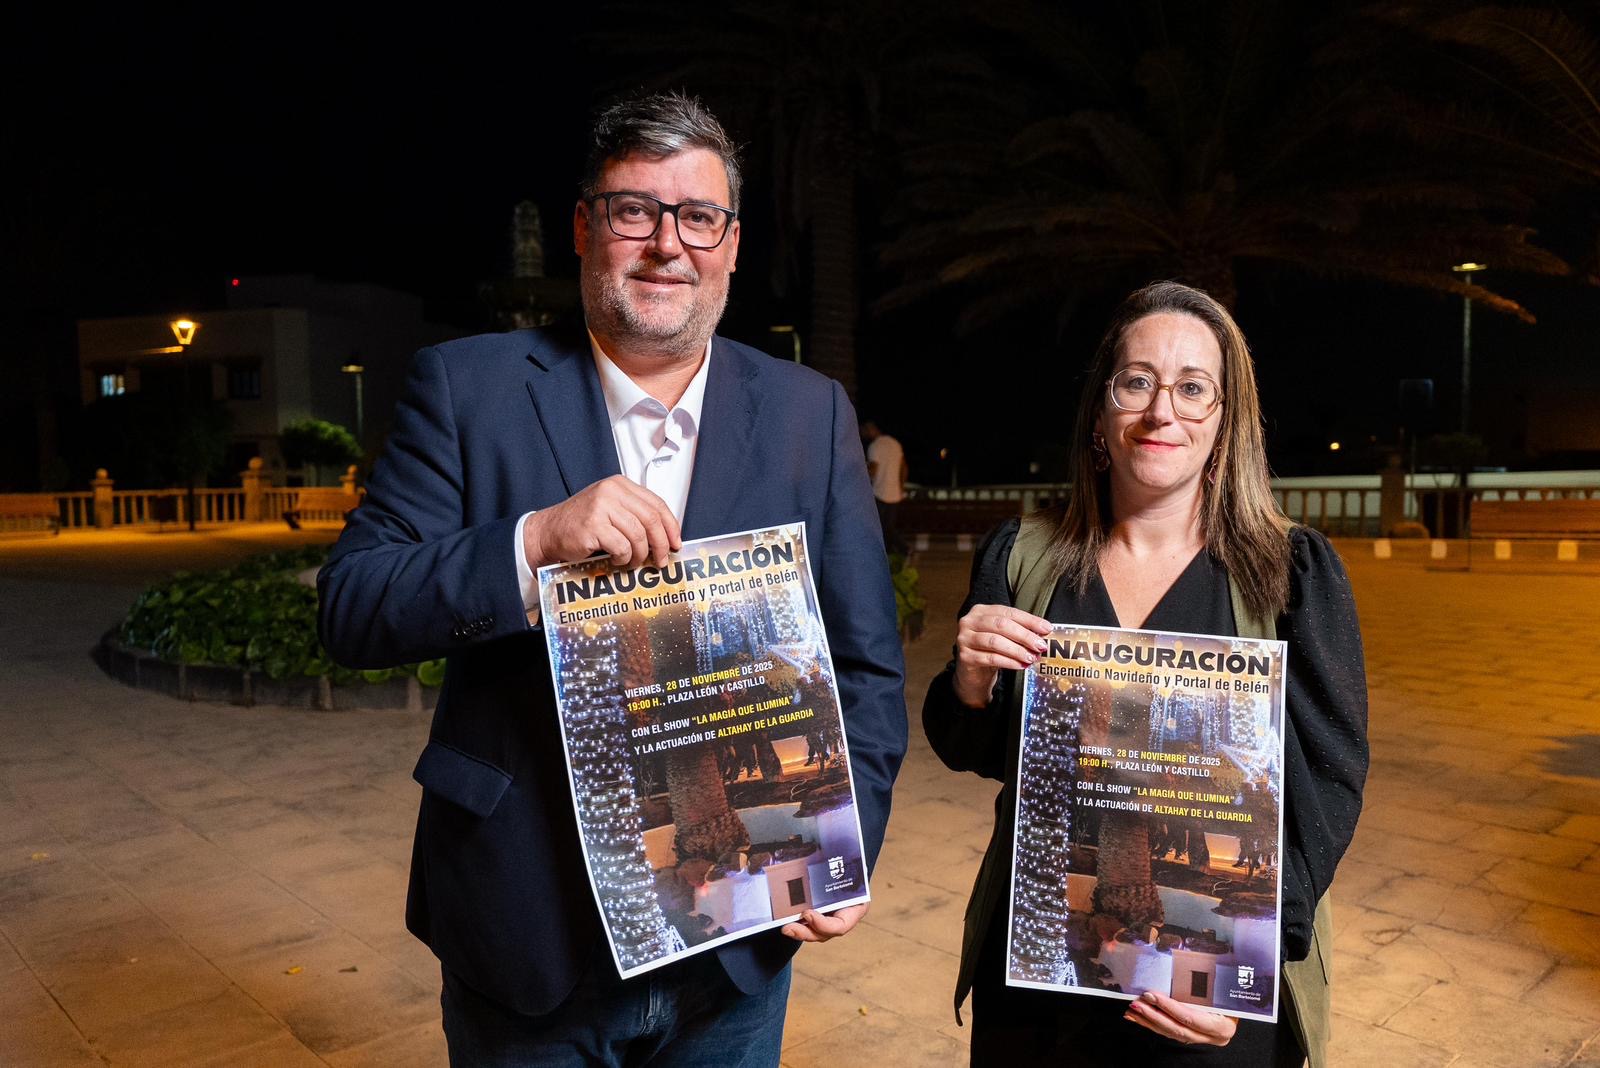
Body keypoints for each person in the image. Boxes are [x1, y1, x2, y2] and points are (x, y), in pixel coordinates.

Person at [318, 91, 907, 1066]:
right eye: (636, 210)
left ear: (731, 244)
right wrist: (533, 541)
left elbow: (866, 666)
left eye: (699, 217)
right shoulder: (466, 387)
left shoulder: (810, 413)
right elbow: (352, 607)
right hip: (527, 927)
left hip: (735, 949)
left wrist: (847, 846)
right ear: (585, 228)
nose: (667, 244)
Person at [922, 281, 1367, 1067]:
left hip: (1203, 1003)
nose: (1163, 412)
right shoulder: (1023, 557)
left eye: (1193, 389)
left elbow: (1328, 789)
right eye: (1137, 382)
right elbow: (975, 751)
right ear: (1100, 414)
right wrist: (970, 680)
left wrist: (1246, 967)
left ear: (1225, 422)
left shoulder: (1289, 575)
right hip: (1038, 985)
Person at [861, 420, 908, 551]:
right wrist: (901, 486)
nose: (863, 433)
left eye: (865, 430)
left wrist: (863, 471)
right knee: (888, 526)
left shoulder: (874, 446)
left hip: (879, 492)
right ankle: (890, 552)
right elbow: (904, 468)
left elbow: (873, 470)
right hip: (895, 493)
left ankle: (905, 549)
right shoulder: (894, 443)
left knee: (882, 527)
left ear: (871, 429)